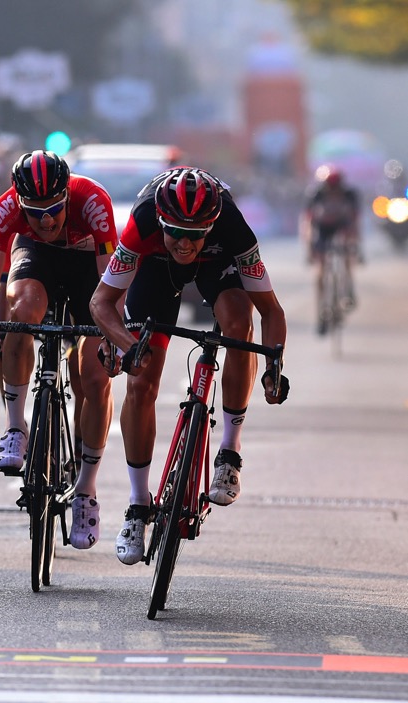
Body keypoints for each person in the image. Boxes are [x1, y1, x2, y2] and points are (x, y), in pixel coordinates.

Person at [89, 166, 289, 566]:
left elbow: (271, 310)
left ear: (210, 226)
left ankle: (229, 453)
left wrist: (273, 366)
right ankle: (138, 505)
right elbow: (101, 302)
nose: (184, 243)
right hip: (154, 268)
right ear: (161, 221)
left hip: (218, 263)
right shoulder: (143, 222)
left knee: (239, 324)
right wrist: (128, 346)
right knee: (140, 383)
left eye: (195, 234)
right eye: (176, 232)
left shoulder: (232, 226)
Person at [0, 149, 117, 550]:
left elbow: (110, 286)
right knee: (21, 314)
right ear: (20, 202)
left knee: (93, 375)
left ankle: (86, 490)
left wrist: (113, 340)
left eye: (54, 208)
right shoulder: (5, 209)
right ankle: (15, 427)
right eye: (35, 212)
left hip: (88, 266)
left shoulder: (93, 200)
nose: (47, 219)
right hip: (37, 257)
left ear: (67, 195)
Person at [300, 164, 360, 333]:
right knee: (320, 270)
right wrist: (309, 247)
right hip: (323, 228)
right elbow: (308, 222)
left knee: (347, 252)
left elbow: (355, 221)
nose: (333, 191)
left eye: (336, 188)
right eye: (330, 188)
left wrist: (355, 245)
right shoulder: (316, 194)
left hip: (342, 225)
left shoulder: (349, 194)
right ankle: (321, 311)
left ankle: (349, 289)